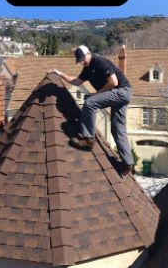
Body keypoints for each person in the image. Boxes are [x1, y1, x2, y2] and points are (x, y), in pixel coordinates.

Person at [54, 45, 134, 175]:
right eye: (79, 60)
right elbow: (76, 81)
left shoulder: (99, 61)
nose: (82, 62)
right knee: (117, 129)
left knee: (90, 102)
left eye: (82, 59)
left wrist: (97, 94)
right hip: (121, 94)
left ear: (88, 53)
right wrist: (59, 74)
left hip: (122, 91)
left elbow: (113, 82)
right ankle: (127, 164)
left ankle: (88, 139)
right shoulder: (87, 69)